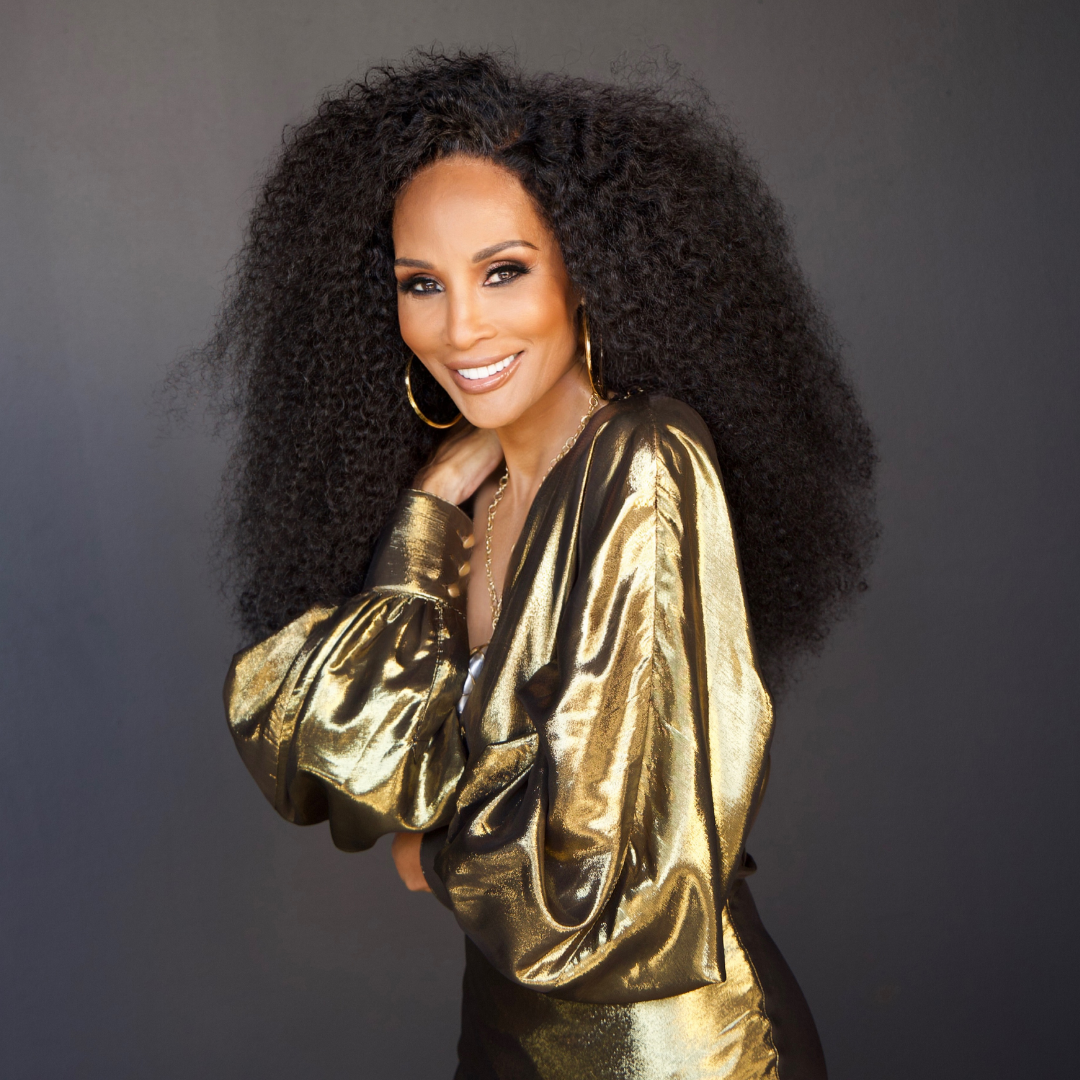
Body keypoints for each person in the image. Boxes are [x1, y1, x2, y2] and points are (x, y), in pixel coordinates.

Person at [200, 50, 876, 1079]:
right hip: (509, 1024)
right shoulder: (471, 507)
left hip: (670, 1045)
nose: (459, 327)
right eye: (420, 284)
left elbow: (608, 861)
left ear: (589, 271)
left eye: (503, 270)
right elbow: (333, 757)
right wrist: (425, 518)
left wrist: (434, 854)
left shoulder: (645, 462)